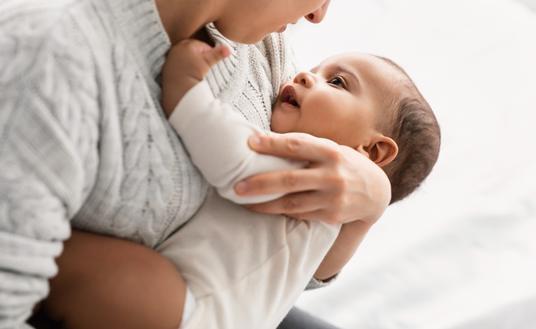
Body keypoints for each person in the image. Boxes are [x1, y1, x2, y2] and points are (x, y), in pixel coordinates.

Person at [0, 0, 396, 328]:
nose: (318, 14)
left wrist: (368, 204)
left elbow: (278, 259)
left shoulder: (261, 46)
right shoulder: (48, 64)